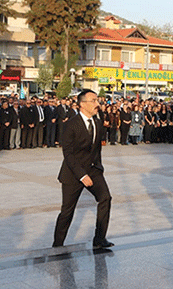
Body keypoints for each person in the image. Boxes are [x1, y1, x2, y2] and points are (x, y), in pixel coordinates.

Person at [53, 90, 113, 249]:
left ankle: (99, 239)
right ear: (82, 104)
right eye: (93, 101)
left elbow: (96, 150)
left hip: (93, 170)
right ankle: (57, 245)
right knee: (67, 212)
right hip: (73, 173)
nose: (97, 104)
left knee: (105, 198)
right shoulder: (71, 124)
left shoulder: (98, 123)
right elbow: (68, 154)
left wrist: (98, 169)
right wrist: (82, 175)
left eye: (97, 101)